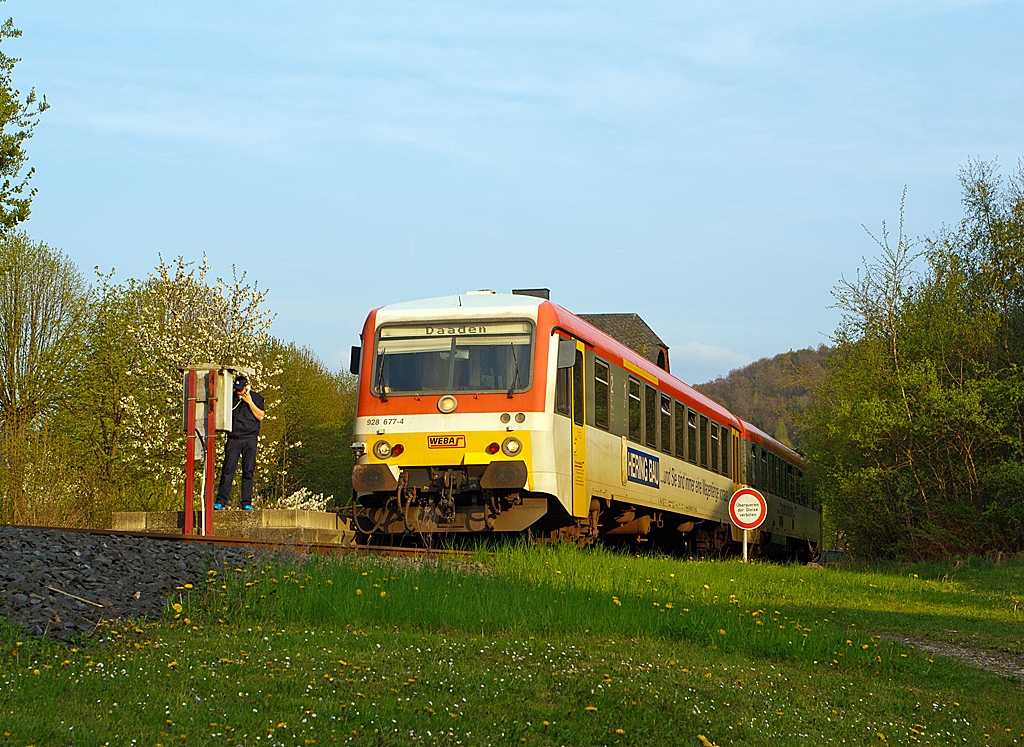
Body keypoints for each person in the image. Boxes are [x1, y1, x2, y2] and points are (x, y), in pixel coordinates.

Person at [214, 375, 265, 510]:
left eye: (240, 389)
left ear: (246, 387)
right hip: (234, 438)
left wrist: (249, 401)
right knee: (228, 469)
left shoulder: (257, 398)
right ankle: (221, 501)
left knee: (248, 471)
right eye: (236, 390)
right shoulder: (230, 399)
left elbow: (260, 416)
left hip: (250, 439)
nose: (238, 392)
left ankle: (246, 502)